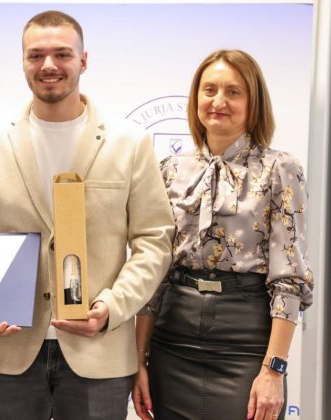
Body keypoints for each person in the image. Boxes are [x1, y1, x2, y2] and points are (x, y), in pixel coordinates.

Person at [0, 10, 174, 420]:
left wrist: (112, 307)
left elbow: (154, 241)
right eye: (36, 55)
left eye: (62, 54)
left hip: (99, 356)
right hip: (6, 352)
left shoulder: (130, 143)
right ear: (23, 62)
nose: (48, 65)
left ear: (83, 61)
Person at [132, 49, 315, 420]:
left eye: (233, 92)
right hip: (173, 343)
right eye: (209, 90)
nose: (218, 101)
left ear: (253, 102)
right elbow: (154, 275)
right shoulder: (169, 169)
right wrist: (138, 361)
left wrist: (273, 371)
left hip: (246, 346)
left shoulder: (281, 169)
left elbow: (290, 279)